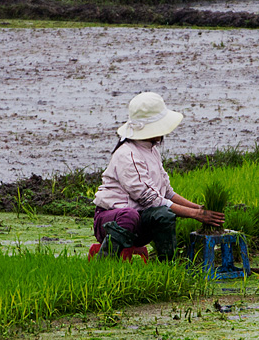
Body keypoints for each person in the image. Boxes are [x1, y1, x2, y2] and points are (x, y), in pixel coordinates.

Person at [92, 92, 224, 261]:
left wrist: (198, 208)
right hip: (111, 221)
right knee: (131, 215)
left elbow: (167, 192)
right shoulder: (127, 154)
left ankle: (167, 266)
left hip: (138, 222)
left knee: (164, 215)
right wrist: (194, 214)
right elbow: (151, 199)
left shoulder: (151, 150)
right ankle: (104, 261)